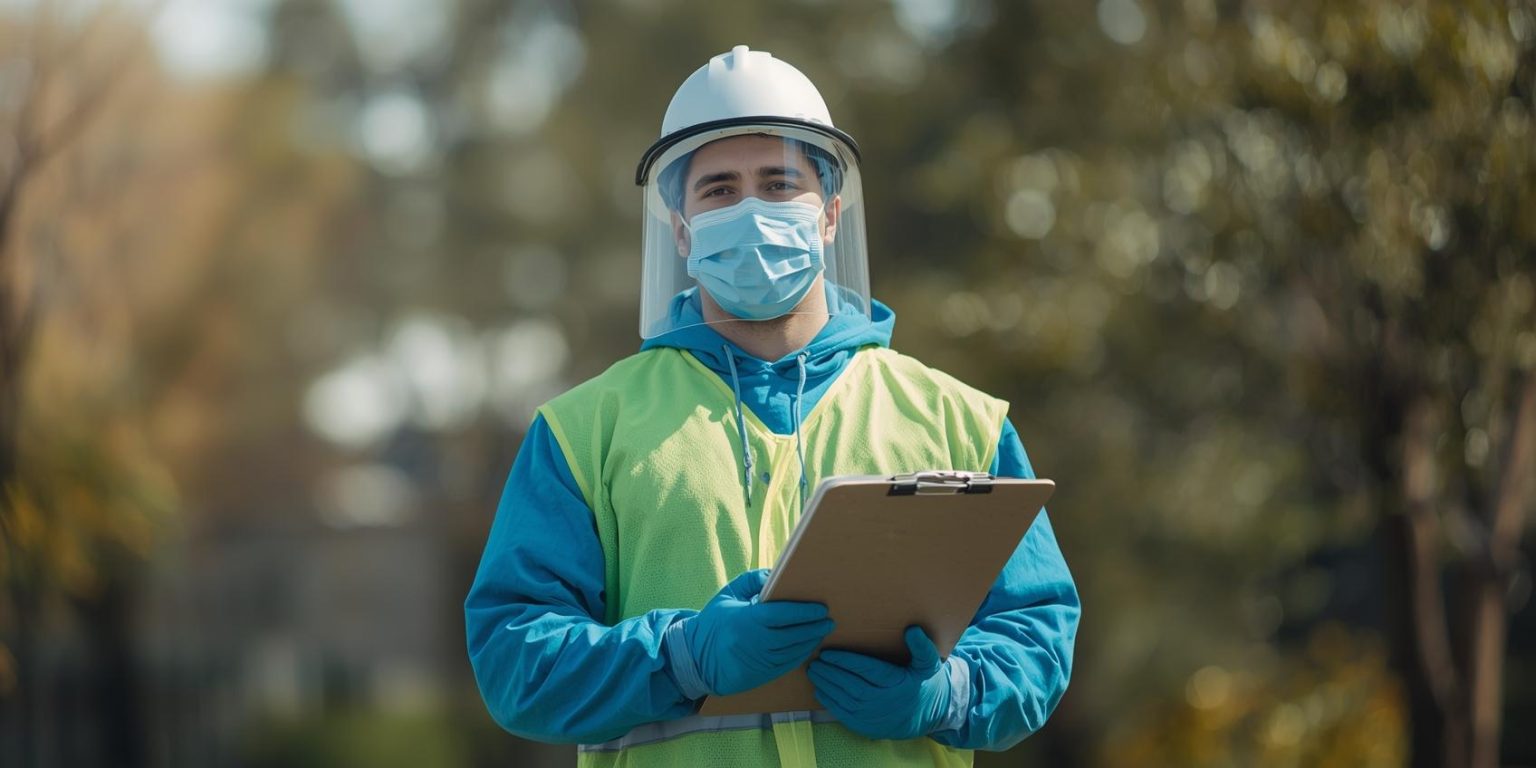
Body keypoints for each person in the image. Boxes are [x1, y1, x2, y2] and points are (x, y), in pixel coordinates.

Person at [465, 45, 1080, 768]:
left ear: (830, 214)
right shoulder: (582, 434)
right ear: (681, 229)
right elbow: (514, 662)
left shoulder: (960, 422)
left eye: (779, 182)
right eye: (719, 189)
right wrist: (683, 657)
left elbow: (1037, 633)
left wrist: (949, 694)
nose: (751, 209)